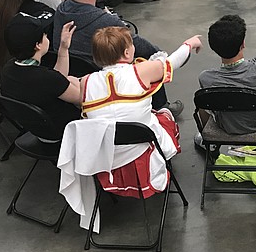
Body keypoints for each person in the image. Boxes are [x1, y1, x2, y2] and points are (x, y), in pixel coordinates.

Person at [80, 26, 202, 199]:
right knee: (164, 114)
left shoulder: (85, 82)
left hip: (106, 156)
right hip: (142, 150)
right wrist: (189, 44)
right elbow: (173, 62)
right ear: (128, 52)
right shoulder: (140, 71)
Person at [53, 0, 183, 114]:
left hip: (71, 71)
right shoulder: (104, 21)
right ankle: (161, 106)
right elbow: (139, 45)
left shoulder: (62, 10)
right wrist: (159, 55)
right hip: (100, 71)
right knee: (145, 58)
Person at [198, 9, 256, 134]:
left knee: (201, 101)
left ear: (213, 47)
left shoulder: (206, 78)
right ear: (243, 44)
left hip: (228, 127)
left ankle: (208, 135)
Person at [0, 13, 81, 136]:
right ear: (37, 45)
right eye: (44, 34)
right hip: (64, 131)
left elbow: (57, 81)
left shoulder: (8, 69)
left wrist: (63, 48)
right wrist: (77, 82)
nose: (46, 36)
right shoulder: (45, 78)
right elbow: (81, 98)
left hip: (38, 130)